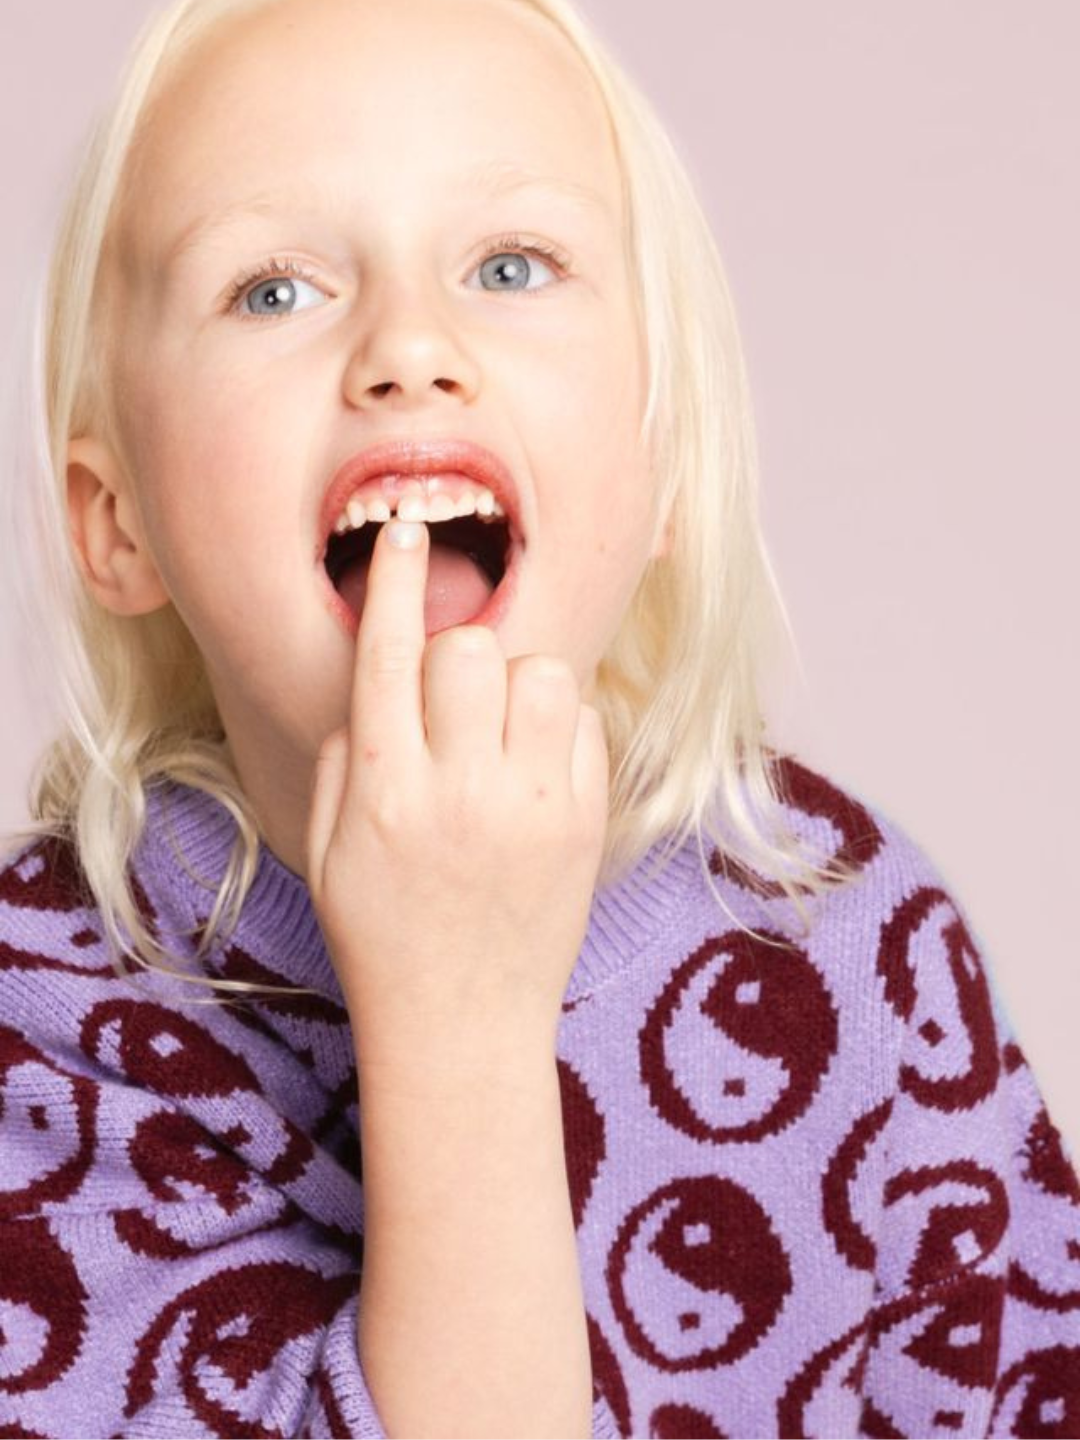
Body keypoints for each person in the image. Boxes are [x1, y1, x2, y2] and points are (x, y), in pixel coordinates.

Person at [1, 0, 1077, 1434]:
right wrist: (455, 1013)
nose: (410, 348)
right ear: (115, 519)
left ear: (668, 466)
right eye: (272, 288)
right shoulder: (43, 1021)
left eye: (511, 264)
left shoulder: (852, 939)